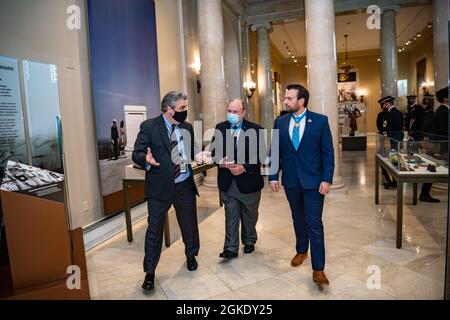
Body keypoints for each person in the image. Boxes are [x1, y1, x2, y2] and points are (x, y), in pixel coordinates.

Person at [132, 91, 200, 291]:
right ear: (169, 109)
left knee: (189, 224)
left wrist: (200, 154)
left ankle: (191, 255)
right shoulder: (149, 127)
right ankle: (150, 272)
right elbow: (137, 152)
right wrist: (145, 159)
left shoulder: (186, 127)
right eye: (181, 109)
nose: (184, 112)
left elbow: (192, 152)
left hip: (184, 184)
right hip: (159, 188)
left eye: (185, 108)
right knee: (154, 230)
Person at [269, 84, 334, 286]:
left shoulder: (320, 121)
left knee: (314, 223)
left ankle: (319, 269)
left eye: (289, 98)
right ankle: (301, 251)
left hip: (314, 182)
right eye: (285, 98)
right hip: (291, 181)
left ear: (301, 101)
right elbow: (275, 151)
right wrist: (272, 176)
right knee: (297, 218)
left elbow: (328, 153)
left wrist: (327, 179)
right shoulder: (279, 122)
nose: (285, 101)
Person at [211, 99, 264, 259]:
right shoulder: (221, 128)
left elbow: (260, 156)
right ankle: (230, 248)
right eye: (230, 111)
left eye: (235, 112)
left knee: (250, 215)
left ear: (243, 112)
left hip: (249, 181)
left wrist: (244, 167)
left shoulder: (255, 129)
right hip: (228, 182)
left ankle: (249, 240)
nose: (232, 114)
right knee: (231, 215)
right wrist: (221, 162)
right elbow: (214, 153)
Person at [376, 96, 403, 189]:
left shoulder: (395, 113)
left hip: (393, 142)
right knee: (388, 161)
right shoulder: (389, 113)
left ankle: (394, 181)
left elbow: (394, 128)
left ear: (386, 104)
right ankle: (392, 181)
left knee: (393, 162)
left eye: (383, 105)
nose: (383, 107)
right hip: (389, 142)